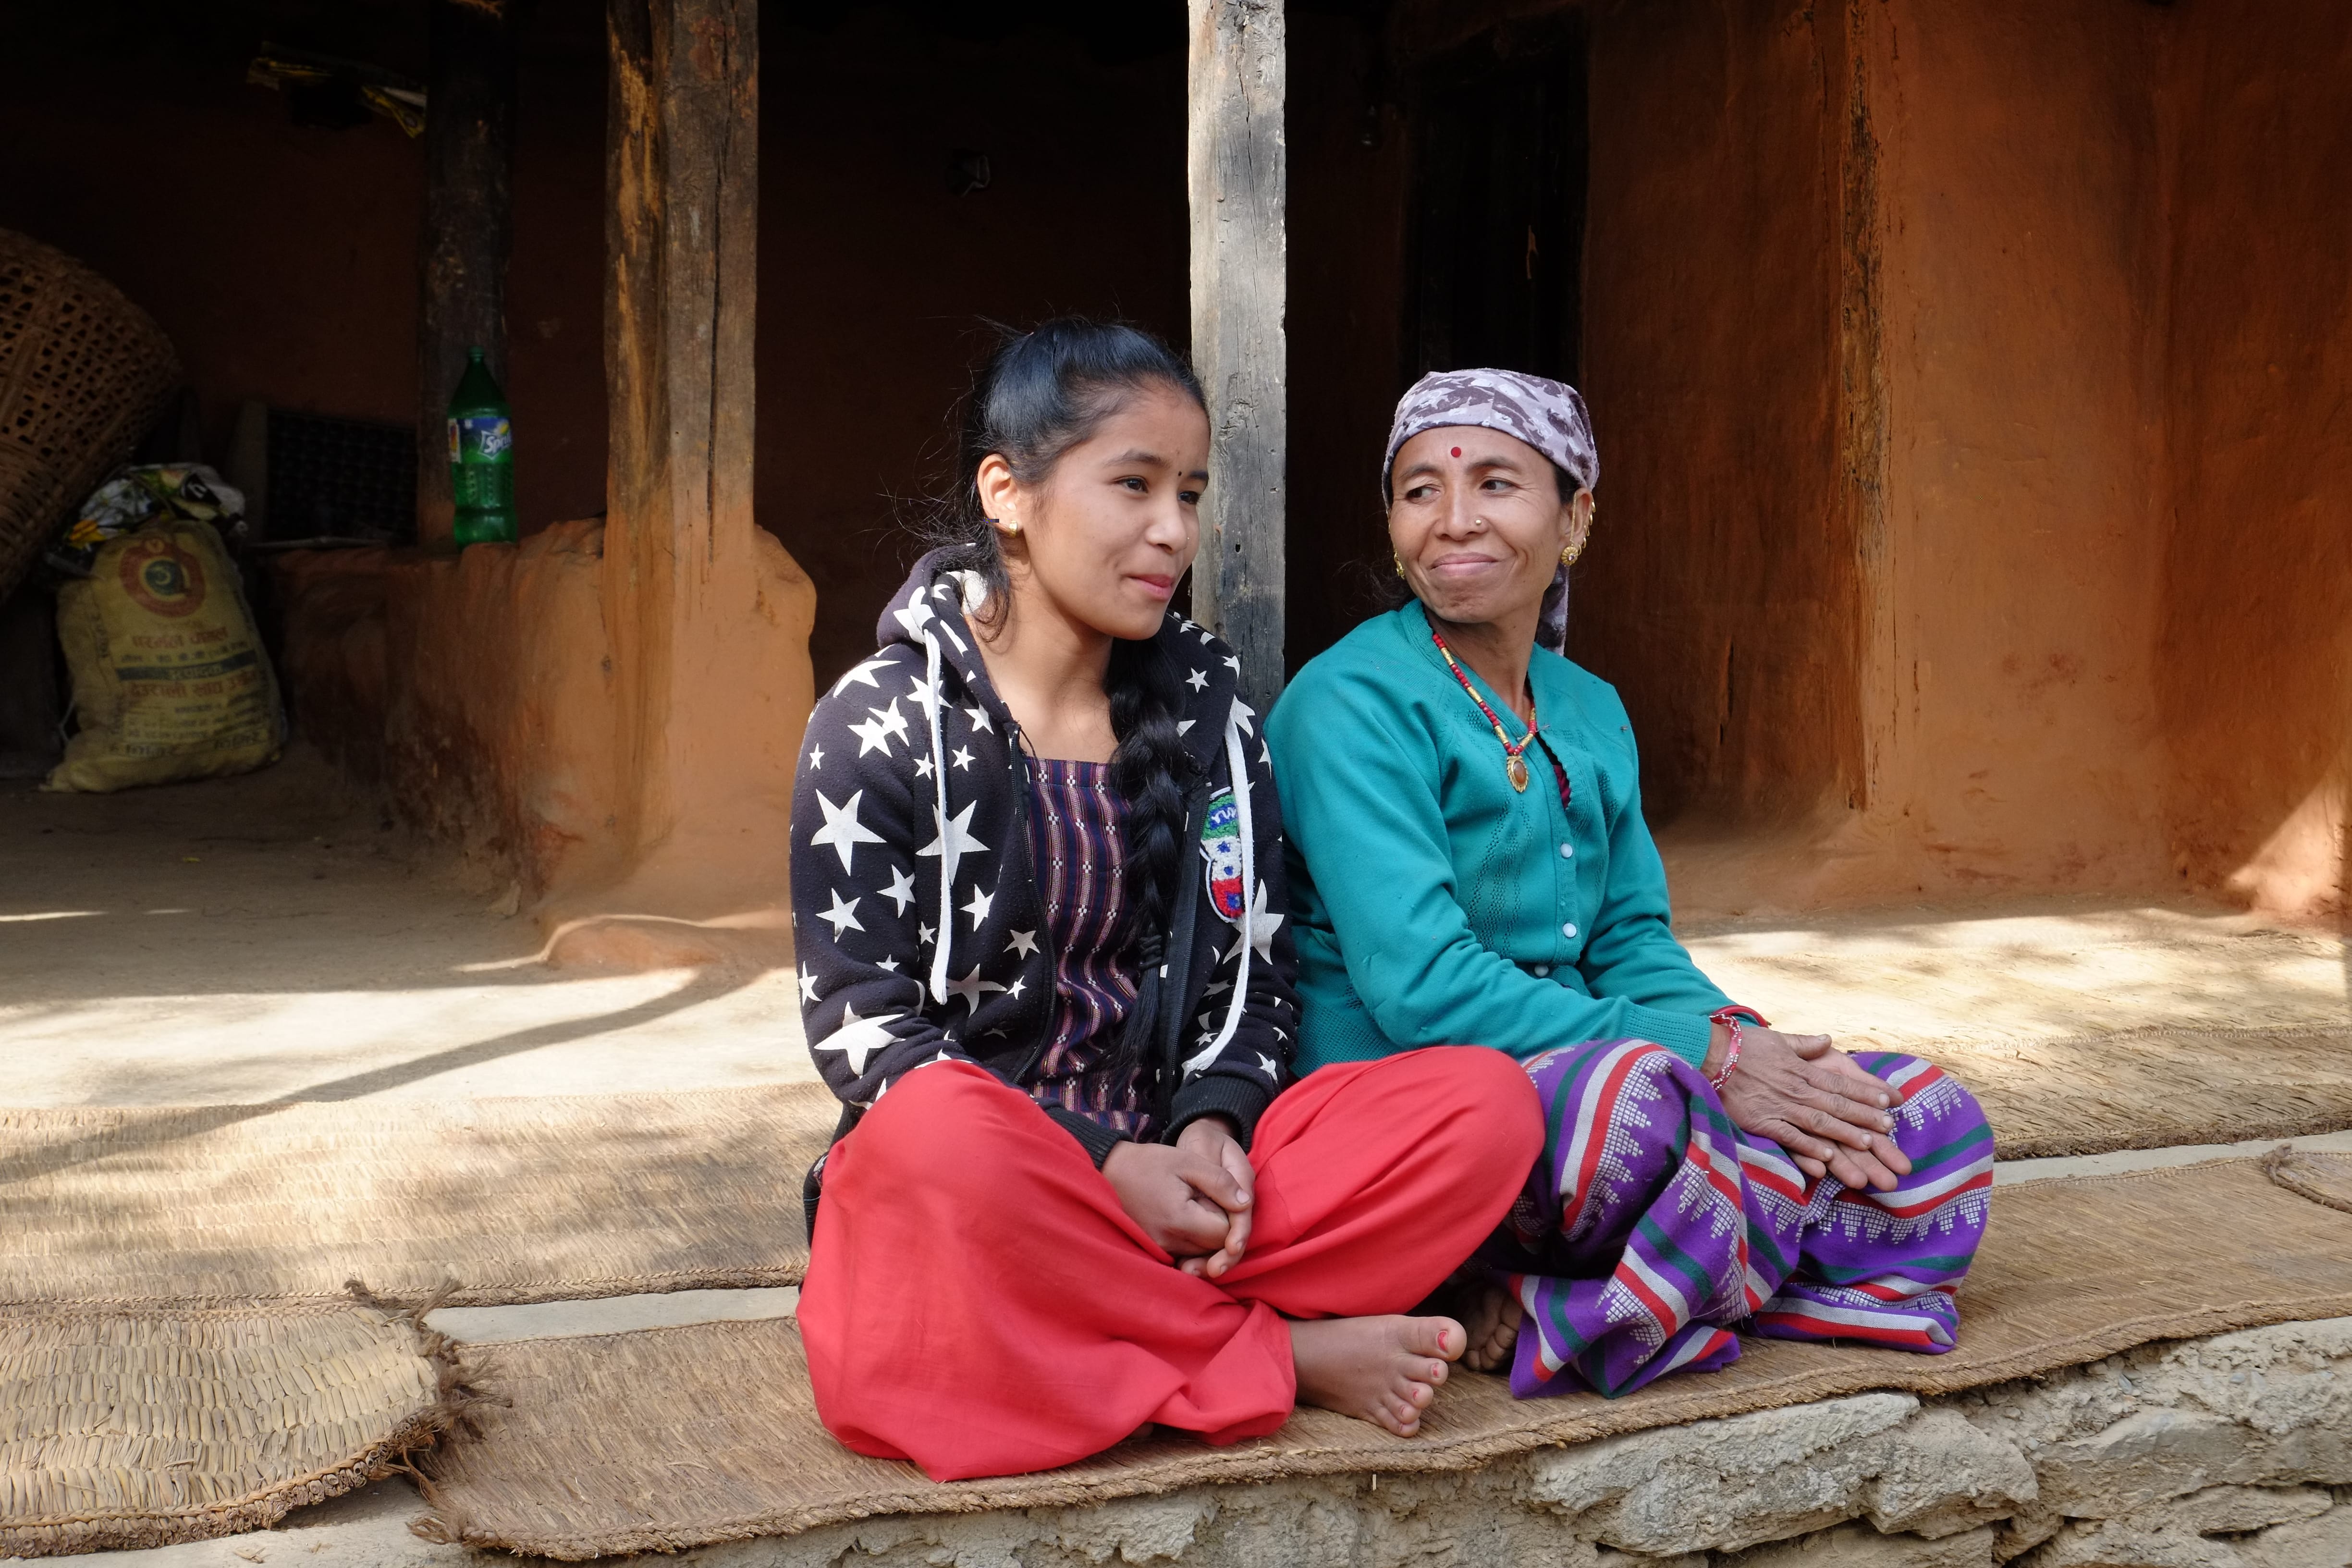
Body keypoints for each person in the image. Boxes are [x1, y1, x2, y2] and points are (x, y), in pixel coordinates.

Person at [789, 322, 1545, 1481]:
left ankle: (1109, 1332)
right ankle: (1278, 1356)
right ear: (1008, 492)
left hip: (1190, 1192)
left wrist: (1209, 1130)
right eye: (1133, 486)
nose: (1174, 532)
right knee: (925, 1141)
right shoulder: (879, 725)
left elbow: (1259, 973)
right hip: (995, 1193)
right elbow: (871, 1038)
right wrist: (1101, 1169)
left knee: (1483, 1106)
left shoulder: (1210, 715)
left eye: (1189, 494)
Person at [1264, 368, 1994, 1402]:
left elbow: (1634, 943)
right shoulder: (1348, 702)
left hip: (1600, 1068)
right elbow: (1420, 984)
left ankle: (1594, 1282)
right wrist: (1702, 1059)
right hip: (1426, 1095)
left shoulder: (1591, 707)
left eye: (1498, 485)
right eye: (1419, 490)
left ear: (1576, 515)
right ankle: (1644, 1278)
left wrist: (1752, 1047)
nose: (1453, 520)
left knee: (1922, 1118)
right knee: (1638, 1115)